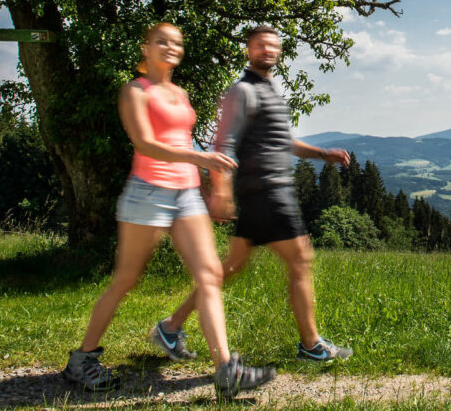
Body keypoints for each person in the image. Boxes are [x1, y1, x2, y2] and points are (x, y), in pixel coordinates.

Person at [63, 22, 275, 397]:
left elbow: (187, 139)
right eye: (161, 41)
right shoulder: (135, 91)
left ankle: (226, 369)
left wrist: (210, 181)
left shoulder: (180, 93)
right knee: (126, 279)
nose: (170, 47)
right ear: (146, 48)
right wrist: (200, 158)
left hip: (187, 193)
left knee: (209, 274)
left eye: (176, 42)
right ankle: (82, 359)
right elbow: (145, 143)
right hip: (148, 192)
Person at [151, 25, 353, 363]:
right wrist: (221, 189)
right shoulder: (242, 91)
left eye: (273, 46)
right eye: (260, 46)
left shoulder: (270, 89)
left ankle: (170, 328)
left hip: (265, 190)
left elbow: (282, 142)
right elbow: (224, 142)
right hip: (266, 190)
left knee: (228, 268)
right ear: (249, 50)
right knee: (301, 260)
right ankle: (311, 344)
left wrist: (322, 154)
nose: (268, 51)